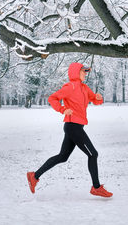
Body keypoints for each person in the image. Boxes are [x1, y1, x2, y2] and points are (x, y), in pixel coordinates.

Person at [27, 62, 113, 198]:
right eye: (83, 71)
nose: (86, 74)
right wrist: (62, 109)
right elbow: (53, 98)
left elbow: (93, 99)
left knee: (63, 156)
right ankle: (96, 187)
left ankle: (34, 176)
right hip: (73, 126)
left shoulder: (84, 88)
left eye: (86, 71)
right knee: (93, 154)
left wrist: (98, 98)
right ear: (76, 72)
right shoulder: (70, 87)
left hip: (75, 127)